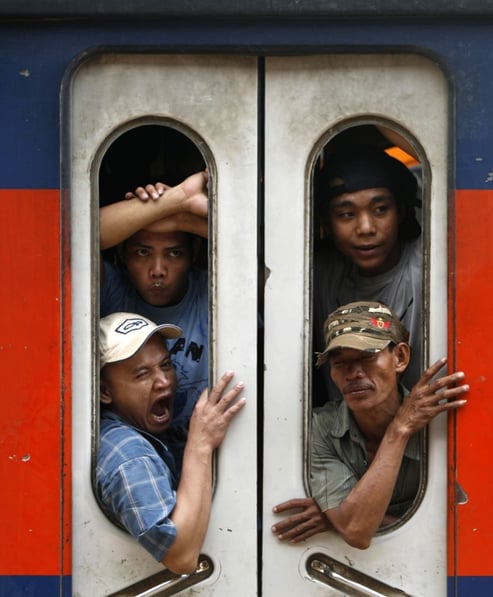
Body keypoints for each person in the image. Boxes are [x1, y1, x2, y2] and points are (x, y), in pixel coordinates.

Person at [272, 301, 468, 549]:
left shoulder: (443, 423)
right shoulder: (321, 427)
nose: (353, 373)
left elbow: (463, 533)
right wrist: (399, 431)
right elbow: (356, 530)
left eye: (367, 357)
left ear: (400, 357)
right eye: (339, 363)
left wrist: (337, 518)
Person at [94, 312, 245, 573]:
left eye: (165, 365)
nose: (164, 381)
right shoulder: (130, 457)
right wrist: (201, 443)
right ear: (105, 392)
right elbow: (181, 556)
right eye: (142, 374)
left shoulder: (152, 432)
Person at [99, 170, 211, 462]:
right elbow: (77, 235)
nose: (158, 269)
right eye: (142, 252)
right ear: (122, 254)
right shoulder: (114, 289)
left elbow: (274, 258)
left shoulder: (216, 290)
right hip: (140, 454)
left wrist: (176, 217)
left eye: (174, 253)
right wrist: (178, 200)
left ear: (194, 252)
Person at [312, 146, 423, 405]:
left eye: (381, 209)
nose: (365, 228)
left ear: (402, 212)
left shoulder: (427, 262)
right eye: (346, 215)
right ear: (326, 225)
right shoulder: (317, 275)